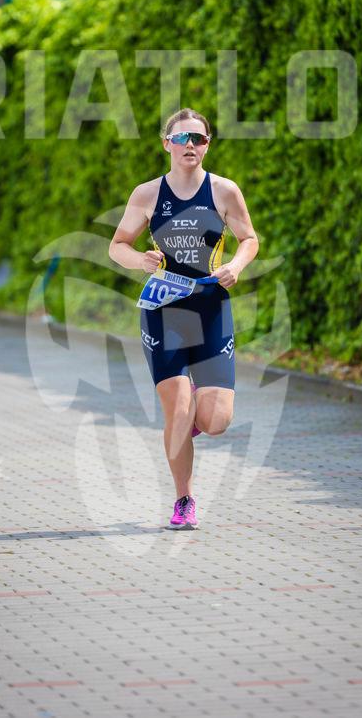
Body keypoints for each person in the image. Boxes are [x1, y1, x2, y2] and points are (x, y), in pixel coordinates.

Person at [109, 108, 259, 529]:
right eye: (180, 138)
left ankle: (194, 407)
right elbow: (117, 245)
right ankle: (184, 499)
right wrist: (139, 259)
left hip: (211, 308)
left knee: (216, 422)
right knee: (176, 410)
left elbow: (249, 239)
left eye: (198, 138)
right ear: (166, 145)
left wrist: (236, 265)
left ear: (207, 145)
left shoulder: (224, 191)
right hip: (165, 311)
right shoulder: (147, 194)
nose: (189, 145)